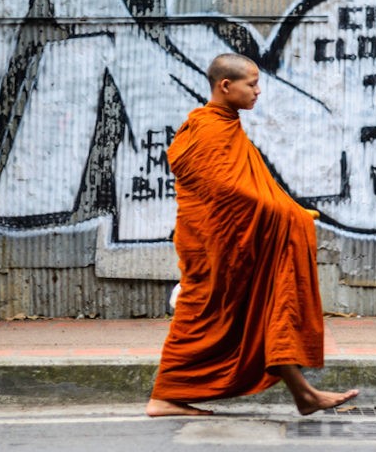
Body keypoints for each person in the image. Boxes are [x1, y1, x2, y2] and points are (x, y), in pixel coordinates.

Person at [146, 53, 359, 417]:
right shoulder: (209, 129)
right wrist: (287, 214)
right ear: (225, 86)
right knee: (204, 314)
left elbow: (245, 186)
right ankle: (164, 397)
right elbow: (227, 192)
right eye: (252, 84)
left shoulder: (225, 123)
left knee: (267, 308)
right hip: (217, 244)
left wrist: (284, 211)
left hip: (237, 240)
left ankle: (304, 395)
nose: (258, 91)